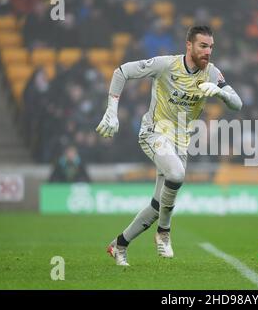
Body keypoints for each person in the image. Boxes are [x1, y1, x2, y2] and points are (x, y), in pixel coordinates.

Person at [96, 26, 242, 266]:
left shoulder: (213, 73)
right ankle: (164, 232)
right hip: (154, 133)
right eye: (203, 46)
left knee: (157, 205)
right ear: (189, 45)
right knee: (176, 174)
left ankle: (119, 245)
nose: (208, 52)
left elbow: (238, 104)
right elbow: (121, 71)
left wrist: (221, 93)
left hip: (181, 143)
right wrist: (112, 111)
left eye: (211, 47)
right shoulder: (166, 65)